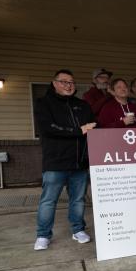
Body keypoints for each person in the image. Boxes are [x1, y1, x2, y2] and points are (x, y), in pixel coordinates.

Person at [33, 69, 96, 251]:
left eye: (71, 82)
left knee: (77, 200)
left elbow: (92, 126)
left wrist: (84, 130)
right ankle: (43, 235)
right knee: (48, 200)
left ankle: (78, 230)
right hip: (56, 163)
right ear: (54, 83)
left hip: (79, 162)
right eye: (64, 81)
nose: (68, 85)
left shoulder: (82, 105)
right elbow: (49, 128)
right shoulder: (44, 103)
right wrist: (78, 130)